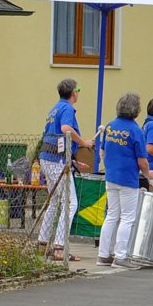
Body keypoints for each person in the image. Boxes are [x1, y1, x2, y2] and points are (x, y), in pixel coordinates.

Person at [97, 93, 153, 270]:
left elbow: (102, 152)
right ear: (136, 110)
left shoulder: (110, 126)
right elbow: (142, 161)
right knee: (128, 218)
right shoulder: (136, 130)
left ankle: (103, 254)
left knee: (112, 215)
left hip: (111, 176)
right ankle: (121, 256)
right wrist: (148, 175)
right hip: (128, 178)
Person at [38, 78, 94, 261]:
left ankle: (42, 243)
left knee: (54, 201)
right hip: (56, 161)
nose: (78, 92)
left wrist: (73, 161)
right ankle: (60, 247)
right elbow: (65, 129)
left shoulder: (54, 108)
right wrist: (84, 142)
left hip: (48, 157)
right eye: (78, 89)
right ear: (73, 92)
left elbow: (56, 138)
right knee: (70, 203)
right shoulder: (67, 109)